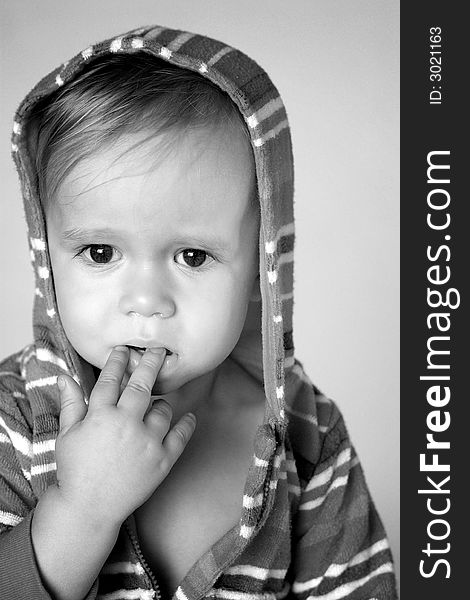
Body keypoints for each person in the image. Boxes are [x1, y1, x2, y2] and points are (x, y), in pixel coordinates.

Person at [0, 25, 397, 600]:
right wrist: (83, 510)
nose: (146, 301)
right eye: (100, 252)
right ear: (48, 251)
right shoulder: (17, 418)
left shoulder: (306, 433)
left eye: (193, 255)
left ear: (262, 265)